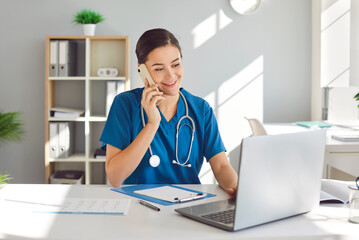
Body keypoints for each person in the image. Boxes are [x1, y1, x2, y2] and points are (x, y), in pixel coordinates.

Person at [100, 28, 238, 196]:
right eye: (159, 69)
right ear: (142, 70)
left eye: (176, 64)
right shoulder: (125, 104)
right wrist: (152, 124)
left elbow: (221, 165)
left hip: (189, 205)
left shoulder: (201, 109)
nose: (171, 75)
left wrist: (238, 188)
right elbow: (115, 177)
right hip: (139, 206)